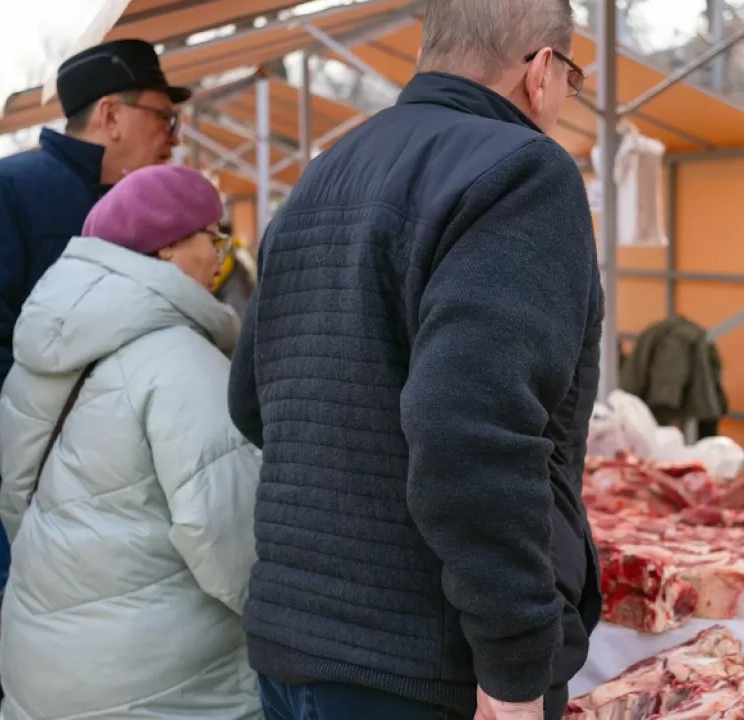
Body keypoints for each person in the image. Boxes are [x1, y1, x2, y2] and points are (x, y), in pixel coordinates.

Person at [228, 1, 603, 718]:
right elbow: (468, 431)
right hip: (421, 667)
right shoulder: (525, 171)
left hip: (292, 639)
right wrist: (517, 658)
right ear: (542, 70)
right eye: (571, 82)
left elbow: (253, 401)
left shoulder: (323, 171)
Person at [0, 38, 189, 602]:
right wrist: (25, 475)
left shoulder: (138, 210)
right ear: (111, 115)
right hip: (41, 503)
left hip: (128, 498)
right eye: (165, 116)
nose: (174, 135)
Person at [0, 165, 261, 720]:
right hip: (165, 676)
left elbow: (17, 497)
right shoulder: (180, 361)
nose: (223, 255)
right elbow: (229, 538)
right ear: (165, 247)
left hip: (43, 650)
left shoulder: (42, 346)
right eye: (213, 237)